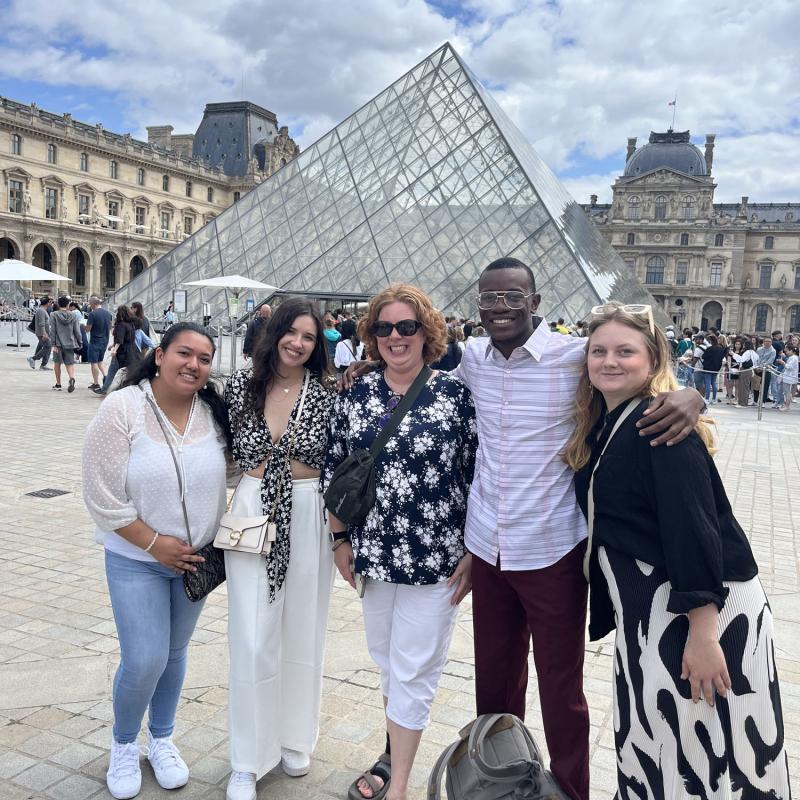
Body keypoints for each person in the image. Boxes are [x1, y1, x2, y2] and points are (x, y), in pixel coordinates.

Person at [343, 261, 703, 800]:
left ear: (535, 301)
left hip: (552, 547)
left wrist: (691, 395)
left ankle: (573, 791)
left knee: (562, 690)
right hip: (487, 547)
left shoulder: (572, 357)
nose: (500, 307)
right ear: (478, 305)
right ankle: (497, 785)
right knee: (494, 685)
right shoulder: (469, 364)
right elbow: (406, 373)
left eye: (513, 297)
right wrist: (362, 372)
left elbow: (626, 367)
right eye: (489, 298)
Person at [565, 302, 790, 799]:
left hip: (696, 612)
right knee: (663, 740)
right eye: (598, 351)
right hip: (654, 614)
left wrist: (704, 633)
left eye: (626, 351)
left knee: (703, 754)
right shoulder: (610, 420)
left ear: (653, 358)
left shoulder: (658, 425)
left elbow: (694, 529)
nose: (609, 361)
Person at [325, 284, 476, 800]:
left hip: (436, 559)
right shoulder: (356, 393)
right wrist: (339, 541)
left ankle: (400, 785)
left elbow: (479, 477)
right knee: (388, 663)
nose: (395, 337)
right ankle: (394, 758)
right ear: (371, 335)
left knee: (414, 668)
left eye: (406, 327)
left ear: (426, 331)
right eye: (384, 328)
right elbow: (336, 469)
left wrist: (475, 551)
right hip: (373, 553)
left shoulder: (456, 396)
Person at [82, 323, 231, 800]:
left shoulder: (212, 412)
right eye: (184, 353)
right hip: (135, 557)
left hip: (195, 561)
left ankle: (161, 737)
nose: (193, 365)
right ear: (160, 354)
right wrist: (153, 543)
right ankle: (124, 743)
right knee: (144, 657)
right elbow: (102, 496)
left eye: (204, 358)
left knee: (173, 654)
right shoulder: (122, 408)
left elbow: (237, 471)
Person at [223, 299, 335, 800]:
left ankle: (294, 737)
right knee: (251, 634)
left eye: (308, 337)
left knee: (304, 628)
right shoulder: (237, 388)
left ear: (317, 345)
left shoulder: (331, 392)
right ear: (274, 333)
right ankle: (247, 759)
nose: (297, 342)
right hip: (252, 509)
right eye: (291, 332)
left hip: (309, 509)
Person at [96, 306, 140, 396]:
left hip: (122, 352)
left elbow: (120, 340)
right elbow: (127, 338)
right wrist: (113, 345)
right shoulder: (131, 324)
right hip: (131, 351)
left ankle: (105, 388)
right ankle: (111, 388)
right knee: (126, 371)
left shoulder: (121, 325)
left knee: (113, 370)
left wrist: (114, 350)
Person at [49, 296, 83, 393]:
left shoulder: (53, 314)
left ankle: (58, 384)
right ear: (68, 304)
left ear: (58, 304)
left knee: (57, 363)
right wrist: (80, 341)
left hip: (58, 344)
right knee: (70, 363)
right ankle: (71, 378)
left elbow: (53, 331)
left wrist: (53, 344)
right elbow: (77, 330)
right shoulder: (73, 315)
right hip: (70, 343)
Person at [86, 296, 113, 390]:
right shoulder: (108, 314)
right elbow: (110, 327)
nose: (90, 305)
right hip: (105, 341)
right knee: (100, 361)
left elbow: (88, 329)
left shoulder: (92, 314)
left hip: (95, 341)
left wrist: (83, 327)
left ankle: (96, 383)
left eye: (90, 304)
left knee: (94, 362)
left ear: (93, 304)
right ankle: (105, 377)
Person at [698, 333, 726, 403]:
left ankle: (707, 398)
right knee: (713, 383)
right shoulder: (720, 349)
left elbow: (704, 356)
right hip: (716, 368)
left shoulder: (710, 348)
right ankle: (714, 398)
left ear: (711, 341)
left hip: (708, 368)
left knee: (707, 383)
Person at [27, 296, 53, 370]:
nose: (51, 303)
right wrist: (44, 333)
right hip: (42, 333)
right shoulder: (41, 311)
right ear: (47, 303)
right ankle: (33, 358)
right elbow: (41, 323)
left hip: (44, 332)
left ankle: (43, 365)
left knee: (47, 347)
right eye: (50, 302)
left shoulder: (43, 310)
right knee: (48, 346)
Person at [732, 337, 758, 407]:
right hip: (749, 370)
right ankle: (742, 402)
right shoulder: (754, 352)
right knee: (745, 387)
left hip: (745, 369)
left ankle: (743, 403)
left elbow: (741, 360)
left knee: (743, 387)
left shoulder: (747, 352)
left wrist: (733, 355)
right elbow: (756, 360)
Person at [774, 344, 798, 411]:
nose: (786, 352)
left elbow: (789, 367)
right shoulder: (793, 358)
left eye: (787, 351)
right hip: (788, 376)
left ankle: (787, 406)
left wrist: (783, 362)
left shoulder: (794, 358)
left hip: (789, 377)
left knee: (787, 392)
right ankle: (786, 405)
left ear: (791, 351)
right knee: (786, 391)